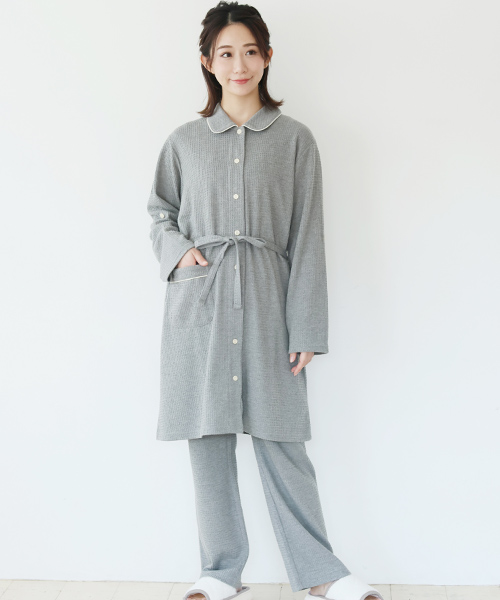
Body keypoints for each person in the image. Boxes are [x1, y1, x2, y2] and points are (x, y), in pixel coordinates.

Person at [147, 3, 384, 600]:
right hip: (201, 306)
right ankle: (219, 571)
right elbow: (160, 212)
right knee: (208, 440)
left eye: (250, 51)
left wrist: (306, 326)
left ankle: (321, 573)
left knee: (282, 440)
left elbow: (307, 236)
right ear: (208, 62)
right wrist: (180, 253)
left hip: (269, 304)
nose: (239, 65)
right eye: (225, 53)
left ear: (267, 56)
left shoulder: (296, 140)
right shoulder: (183, 142)